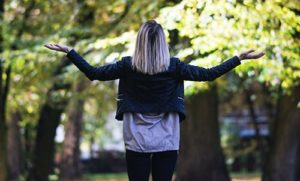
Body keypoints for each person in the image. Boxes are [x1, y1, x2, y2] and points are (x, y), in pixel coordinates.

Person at [44, 20, 265, 181]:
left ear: (139, 42)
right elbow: (208, 74)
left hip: (136, 134)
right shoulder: (174, 66)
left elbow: (93, 73)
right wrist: (238, 58)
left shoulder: (127, 66)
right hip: (167, 134)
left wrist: (70, 52)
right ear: (162, 43)